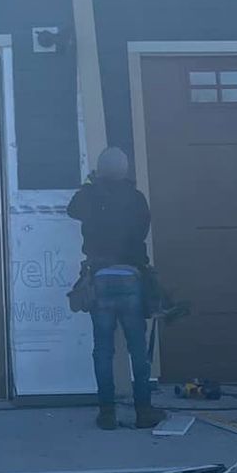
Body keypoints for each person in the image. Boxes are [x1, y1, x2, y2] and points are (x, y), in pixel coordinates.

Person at [68, 146, 164, 430]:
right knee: (137, 348)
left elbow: (72, 209)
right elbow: (142, 229)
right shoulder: (136, 198)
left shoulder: (90, 196)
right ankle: (143, 411)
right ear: (125, 170)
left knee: (103, 349)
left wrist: (89, 183)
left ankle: (107, 414)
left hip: (99, 278)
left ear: (100, 170)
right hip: (131, 276)